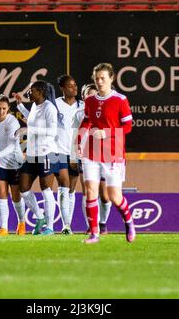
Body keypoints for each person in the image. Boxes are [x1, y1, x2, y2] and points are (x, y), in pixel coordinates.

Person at [78, 63, 135, 244]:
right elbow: (86, 122)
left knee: (114, 196)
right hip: (92, 151)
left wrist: (107, 132)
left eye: (103, 78)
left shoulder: (120, 100)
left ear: (111, 78)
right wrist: (79, 142)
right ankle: (94, 233)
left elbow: (128, 126)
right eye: (97, 78)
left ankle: (129, 221)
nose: (100, 81)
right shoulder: (90, 100)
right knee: (90, 190)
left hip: (113, 151)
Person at [14, 80, 59, 235]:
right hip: (32, 154)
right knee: (23, 189)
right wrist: (20, 106)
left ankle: (50, 227)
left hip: (46, 153)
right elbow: (31, 120)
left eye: (31, 90)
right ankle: (40, 217)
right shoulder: (35, 105)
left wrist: (28, 129)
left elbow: (53, 131)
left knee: (46, 190)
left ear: (40, 92)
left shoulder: (50, 108)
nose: (28, 92)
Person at [72, 83, 112, 235]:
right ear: (83, 97)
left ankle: (103, 223)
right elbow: (75, 135)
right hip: (86, 156)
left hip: (105, 155)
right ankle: (92, 225)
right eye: (88, 94)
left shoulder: (105, 110)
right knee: (88, 192)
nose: (91, 97)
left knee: (105, 194)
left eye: (94, 94)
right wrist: (74, 155)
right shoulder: (78, 113)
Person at [0, 94, 26, 236]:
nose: (1, 111)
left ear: (8, 108)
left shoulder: (13, 122)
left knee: (16, 196)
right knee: (1, 194)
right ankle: (4, 228)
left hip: (14, 162)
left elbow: (11, 147)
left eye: (4, 108)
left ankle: (21, 223)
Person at [53, 75, 82, 235]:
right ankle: (65, 225)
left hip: (75, 152)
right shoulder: (55, 104)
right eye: (70, 86)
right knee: (63, 186)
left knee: (71, 189)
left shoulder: (82, 106)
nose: (74, 88)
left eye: (75, 85)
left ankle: (68, 225)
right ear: (63, 88)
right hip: (58, 151)